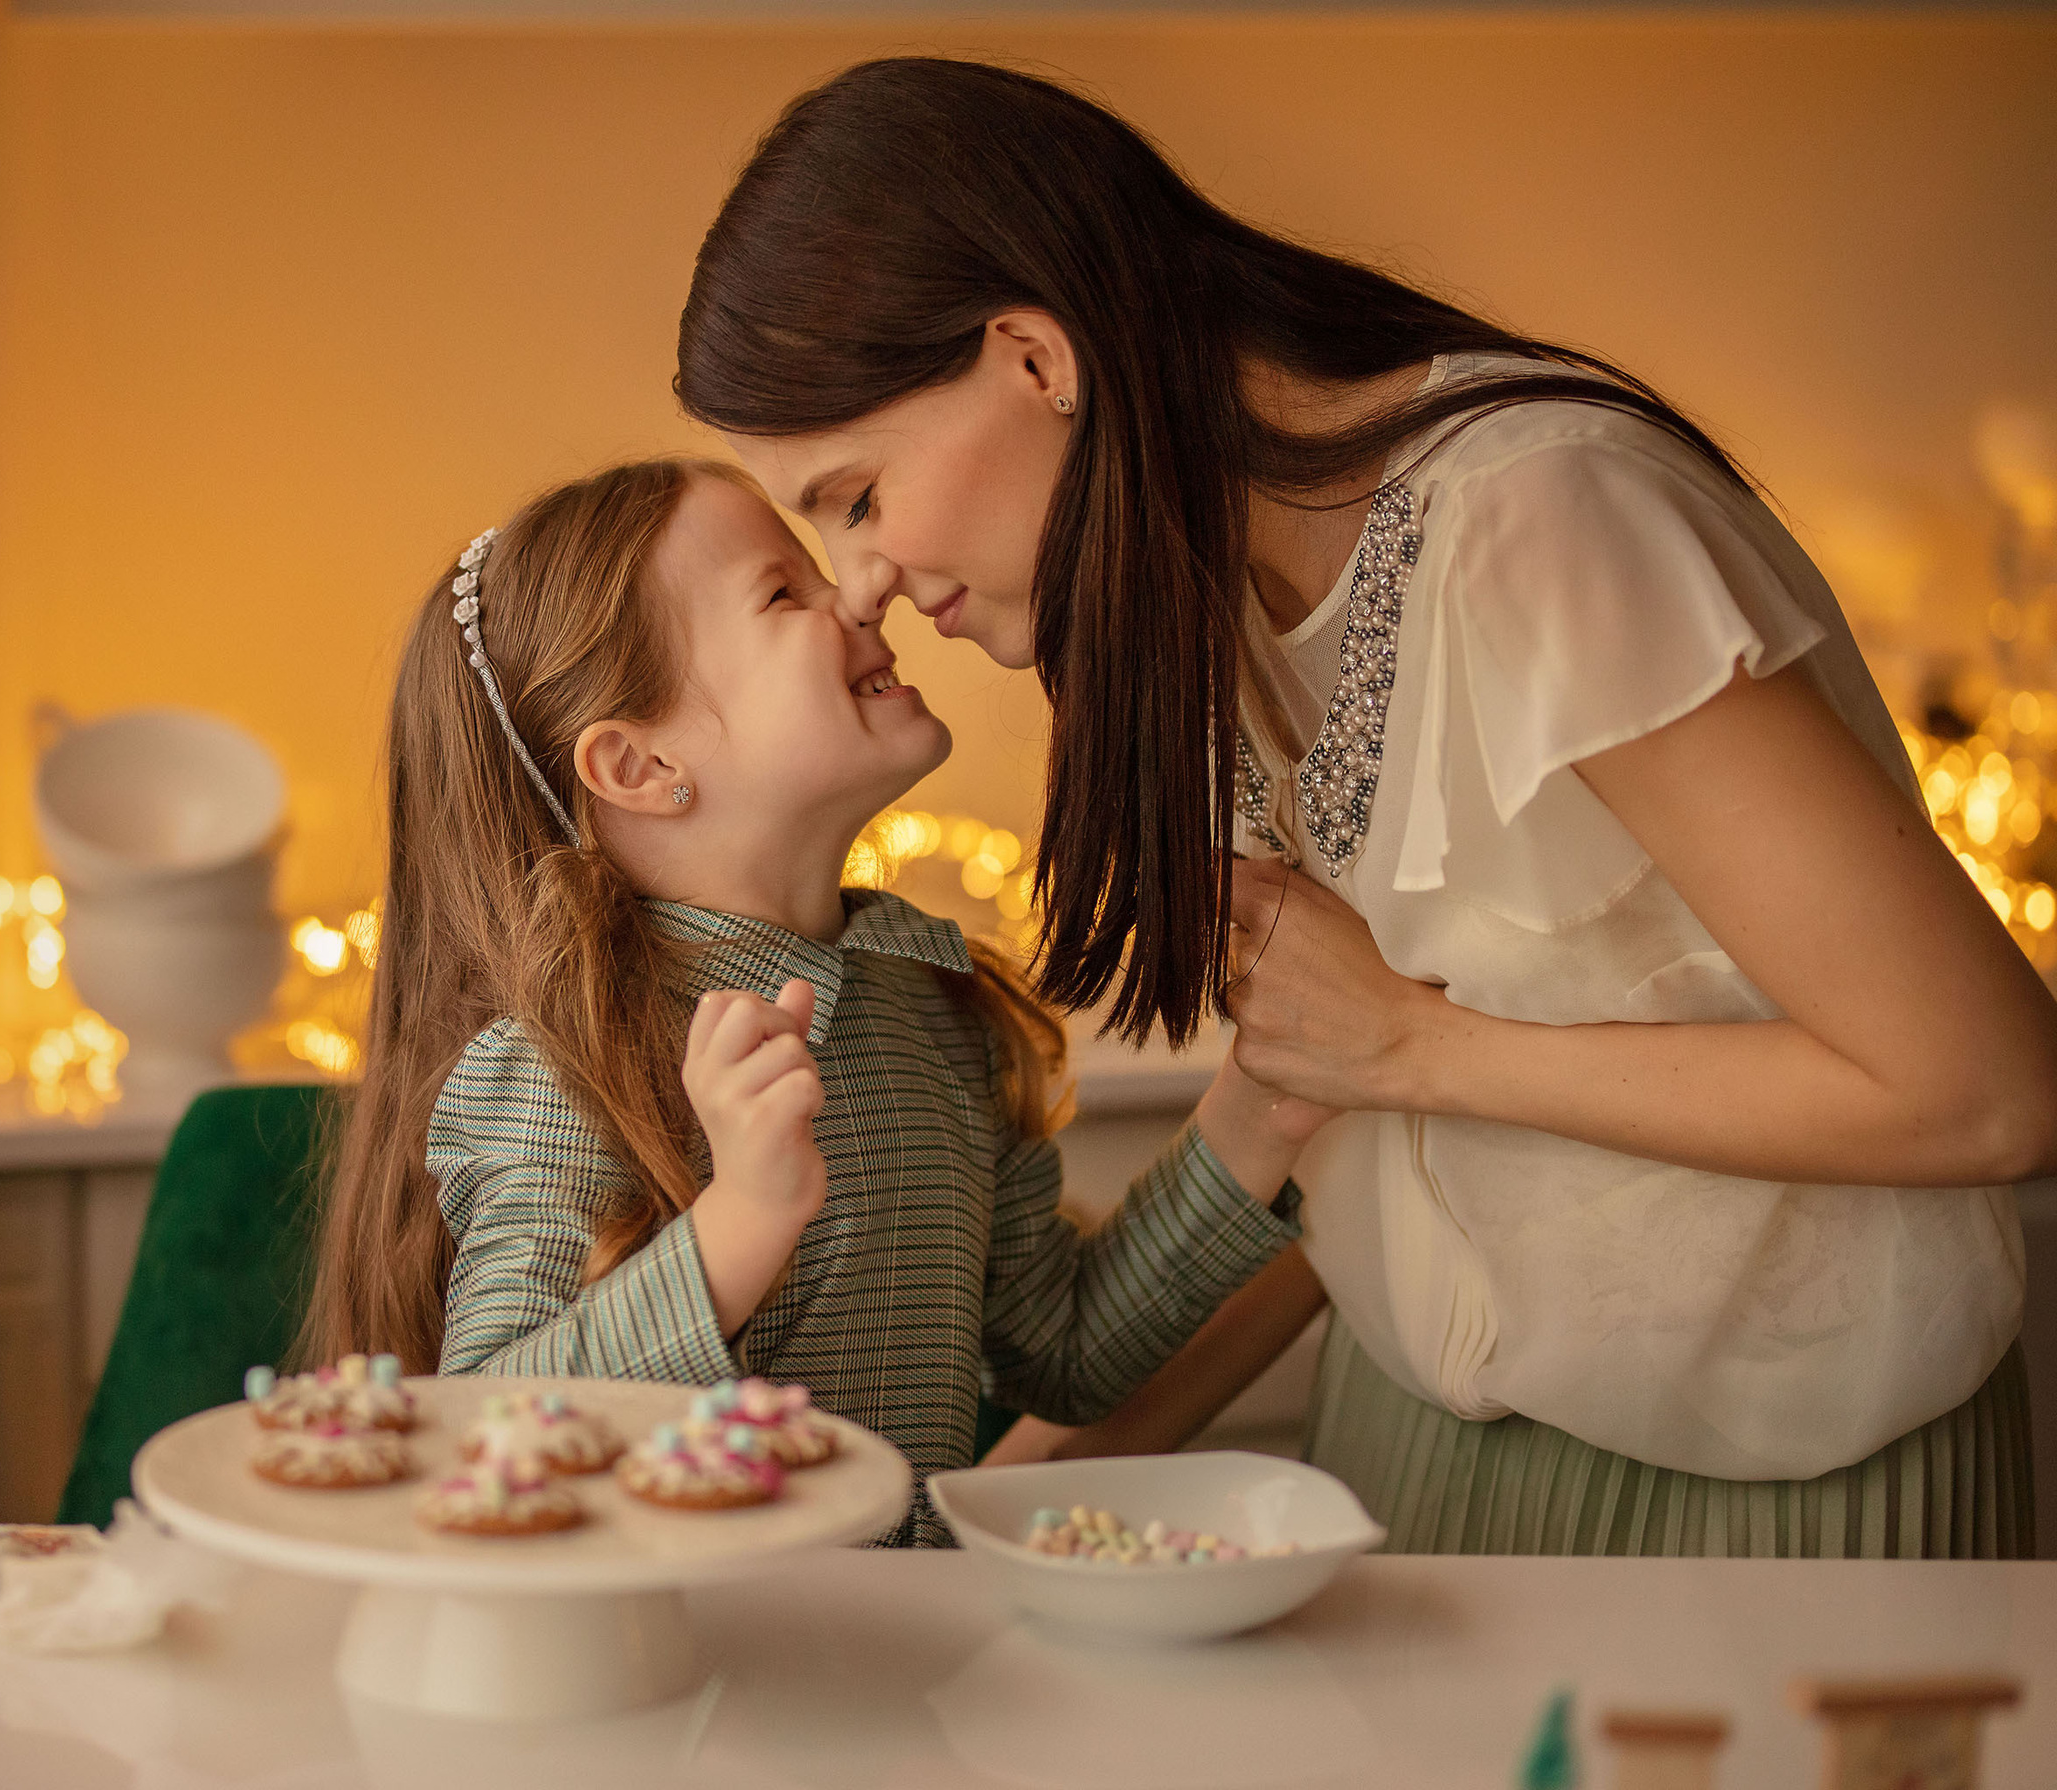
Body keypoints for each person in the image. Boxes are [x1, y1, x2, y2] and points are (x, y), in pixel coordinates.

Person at [676, 57, 2056, 1556]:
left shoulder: (1546, 520)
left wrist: (1419, 1044)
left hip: (1765, 1507)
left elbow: (1985, 1088)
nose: (862, 581)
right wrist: (994, 1536)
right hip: (1402, 1474)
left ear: (1031, 356)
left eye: (858, 496)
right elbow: (1358, 1170)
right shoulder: (1209, 618)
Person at [297, 457, 1324, 1544]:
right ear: (640, 764)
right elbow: (481, 1429)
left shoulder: (936, 1013)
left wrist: (1262, 1101)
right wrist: (740, 1221)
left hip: (901, 1676)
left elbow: (1061, 1347)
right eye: (784, 591)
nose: (860, 593)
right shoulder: (567, 1060)